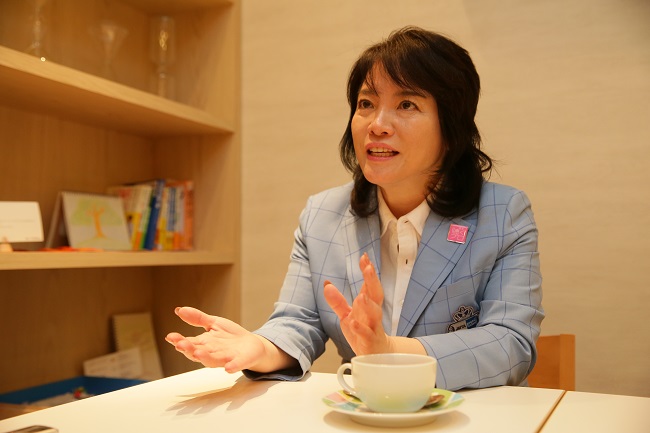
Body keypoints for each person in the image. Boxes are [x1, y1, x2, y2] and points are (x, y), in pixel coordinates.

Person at [166, 26, 543, 391]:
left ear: (452, 127)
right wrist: (261, 348)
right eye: (366, 104)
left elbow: (510, 345)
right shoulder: (322, 215)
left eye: (406, 104)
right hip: (364, 413)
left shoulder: (502, 213)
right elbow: (298, 322)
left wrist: (389, 351)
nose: (377, 125)